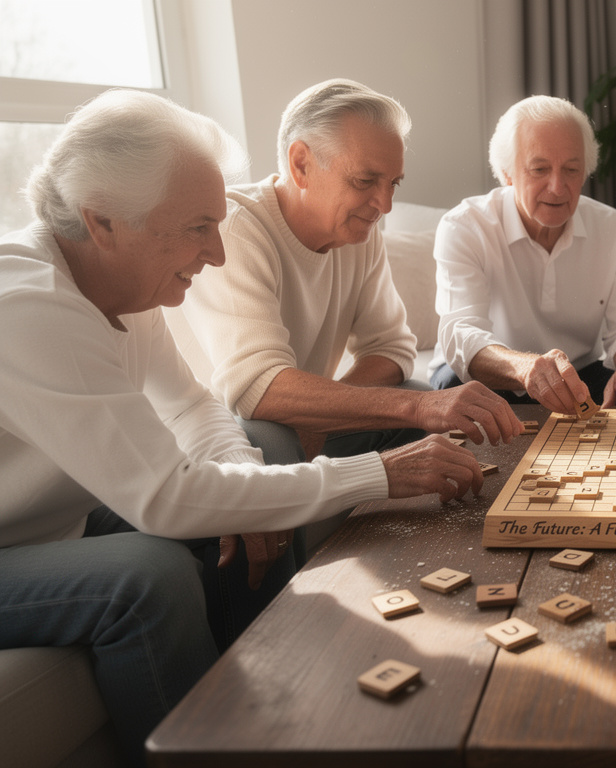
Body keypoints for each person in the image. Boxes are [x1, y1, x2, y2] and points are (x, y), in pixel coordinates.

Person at [0, 90, 484, 767]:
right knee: (148, 574)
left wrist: (250, 484)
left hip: (48, 523)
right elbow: (164, 497)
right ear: (103, 224)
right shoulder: (30, 308)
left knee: (231, 501)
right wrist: (379, 473)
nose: (217, 253)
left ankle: (282, 701)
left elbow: (194, 408)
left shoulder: (119, 289)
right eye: (199, 227)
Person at [171, 79, 521, 466]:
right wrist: (416, 407)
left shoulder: (358, 233)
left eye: (393, 183)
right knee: (276, 439)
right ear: (300, 164)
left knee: (414, 395)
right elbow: (258, 388)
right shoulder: (237, 228)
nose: (384, 205)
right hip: (219, 435)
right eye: (365, 180)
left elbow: (391, 349)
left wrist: (323, 421)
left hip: (293, 424)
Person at [430, 95, 616, 413]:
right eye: (540, 169)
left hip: (576, 375)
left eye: (571, 170)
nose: (558, 187)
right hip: (493, 374)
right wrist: (524, 369)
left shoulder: (614, 228)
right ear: (507, 174)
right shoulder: (465, 226)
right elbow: (462, 335)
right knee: (455, 390)